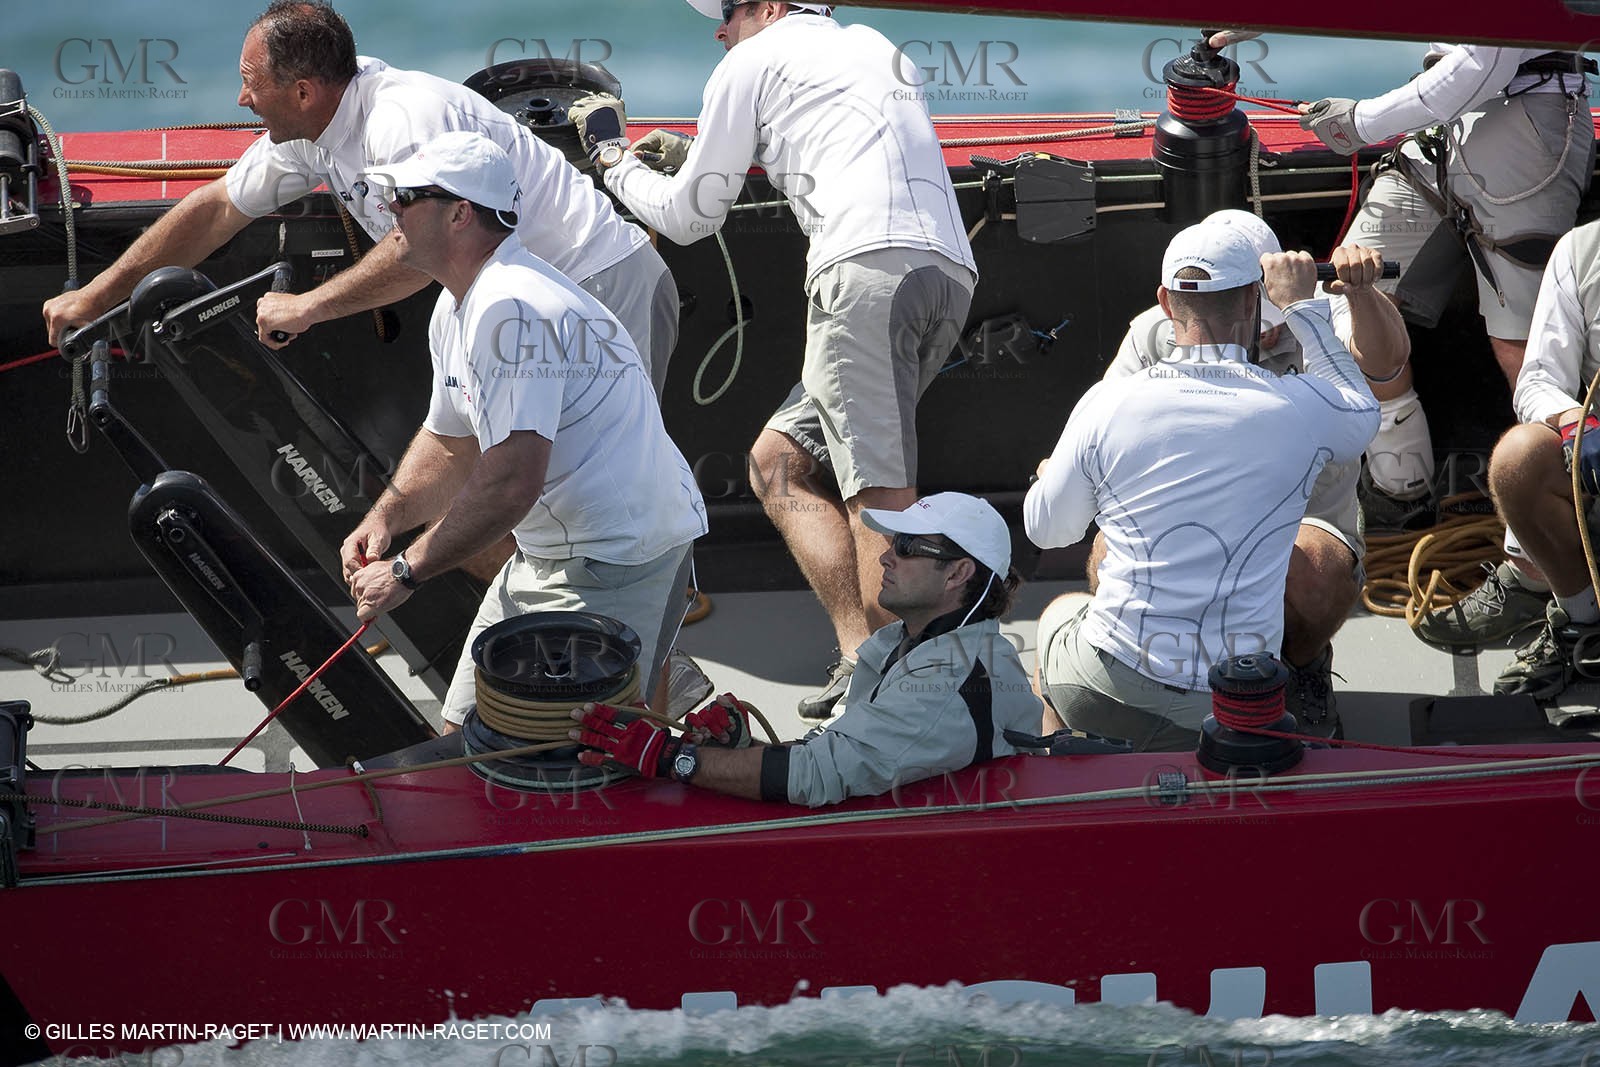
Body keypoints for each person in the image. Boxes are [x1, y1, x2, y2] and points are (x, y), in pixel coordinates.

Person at [573, 0, 978, 722]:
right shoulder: (873, 44)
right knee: (778, 461)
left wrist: (612, 160)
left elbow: (689, 219)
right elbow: (828, 135)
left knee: (877, 492)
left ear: (768, 7)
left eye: (728, 12)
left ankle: (895, 706)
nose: (719, 29)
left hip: (865, 276)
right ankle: (862, 657)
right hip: (946, 275)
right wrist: (702, 152)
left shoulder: (750, 61)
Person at [41, 0, 679, 401]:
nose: (241, 100)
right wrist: (97, 296)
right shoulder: (312, 127)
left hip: (599, 284)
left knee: (605, 496)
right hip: (521, 305)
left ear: (303, 91)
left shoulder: (400, 121)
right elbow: (216, 210)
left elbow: (421, 250)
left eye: (250, 83)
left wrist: (308, 307)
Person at [338, 131, 706, 731]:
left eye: (405, 196)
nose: (389, 208)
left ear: (460, 213)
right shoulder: (458, 304)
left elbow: (511, 483)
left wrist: (405, 572)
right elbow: (450, 443)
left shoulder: (512, 308)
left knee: (569, 753)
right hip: (548, 554)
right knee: (468, 734)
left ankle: (659, 729)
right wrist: (385, 518)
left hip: (617, 557)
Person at [1024, 223, 1379, 750]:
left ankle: (1065, 777)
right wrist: (1304, 307)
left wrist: (1053, 476)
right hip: (1237, 706)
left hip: (1105, 693)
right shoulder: (1300, 406)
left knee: (1058, 615)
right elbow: (1361, 409)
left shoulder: (1105, 404)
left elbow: (1046, 531)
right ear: (1253, 300)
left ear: (1165, 302)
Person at [568, 493, 1042, 805]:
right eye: (892, 542)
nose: (885, 556)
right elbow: (840, 753)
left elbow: (816, 777)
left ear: (958, 573)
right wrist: (742, 749)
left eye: (908, 546)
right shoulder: (903, 644)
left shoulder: (949, 681)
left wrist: (669, 756)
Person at [1300, 45, 1594, 533]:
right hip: (1438, 127)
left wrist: (1362, 123)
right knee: (1348, 300)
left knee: (1528, 351)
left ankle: (1559, 523)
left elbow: (1484, 60)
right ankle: (1402, 495)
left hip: (1524, 124)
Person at [1473, 218, 1600, 700]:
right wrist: (1576, 423)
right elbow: (1538, 380)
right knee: (1519, 458)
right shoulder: (1582, 252)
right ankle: (1582, 626)